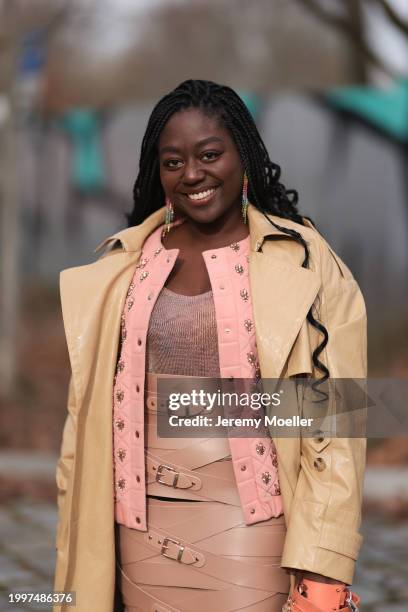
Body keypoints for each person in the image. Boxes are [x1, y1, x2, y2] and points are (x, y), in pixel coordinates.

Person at [54, 79, 366, 612]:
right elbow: (84, 424)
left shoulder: (304, 264)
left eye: (210, 154)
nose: (192, 174)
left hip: (252, 528)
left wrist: (324, 566)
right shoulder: (123, 265)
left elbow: (333, 427)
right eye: (173, 161)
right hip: (135, 529)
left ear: (243, 156)